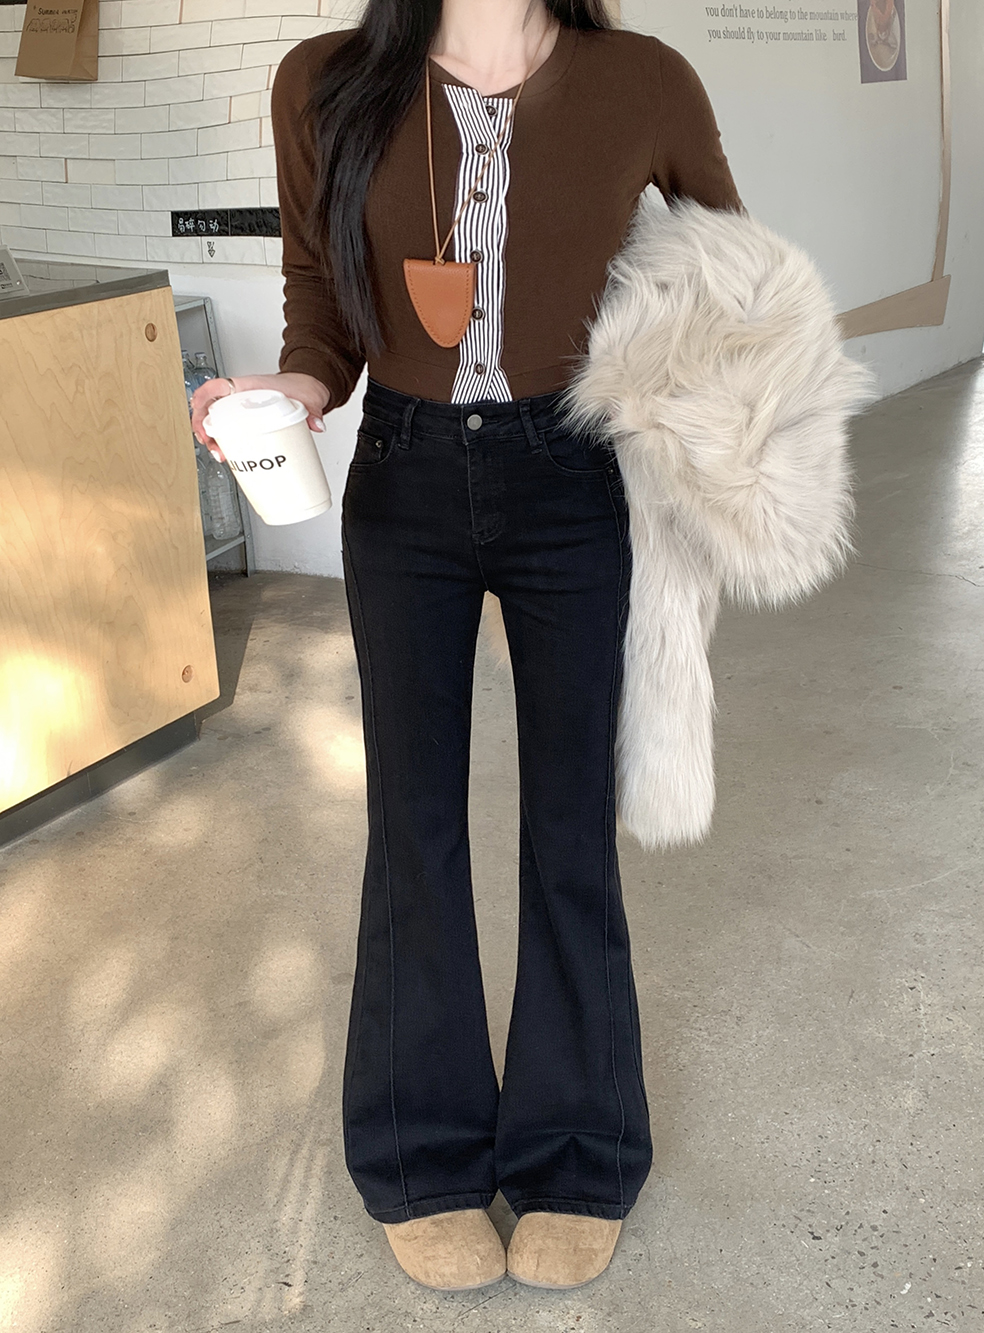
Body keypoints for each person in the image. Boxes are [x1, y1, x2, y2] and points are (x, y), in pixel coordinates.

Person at [192, 0, 743, 1294]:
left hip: (575, 473)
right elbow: (320, 293)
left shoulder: (643, 80)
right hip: (405, 476)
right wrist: (296, 391)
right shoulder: (323, 81)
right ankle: (421, 1153)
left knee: (570, 822)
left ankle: (578, 1152)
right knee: (415, 825)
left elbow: (731, 278)